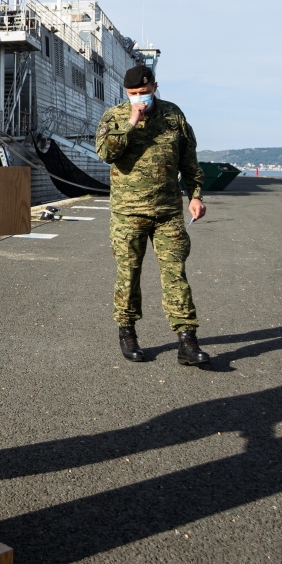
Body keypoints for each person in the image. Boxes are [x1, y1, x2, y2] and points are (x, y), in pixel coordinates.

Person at [94, 64, 210, 367]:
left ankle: (187, 340)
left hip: (167, 212)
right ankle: (127, 332)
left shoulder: (173, 116)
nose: (138, 98)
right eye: (132, 94)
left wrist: (195, 196)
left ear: (155, 88)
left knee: (175, 274)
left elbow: (189, 160)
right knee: (128, 274)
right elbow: (106, 153)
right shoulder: (115, 116)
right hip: (128, 213)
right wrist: (132, 121)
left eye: (143, 93)